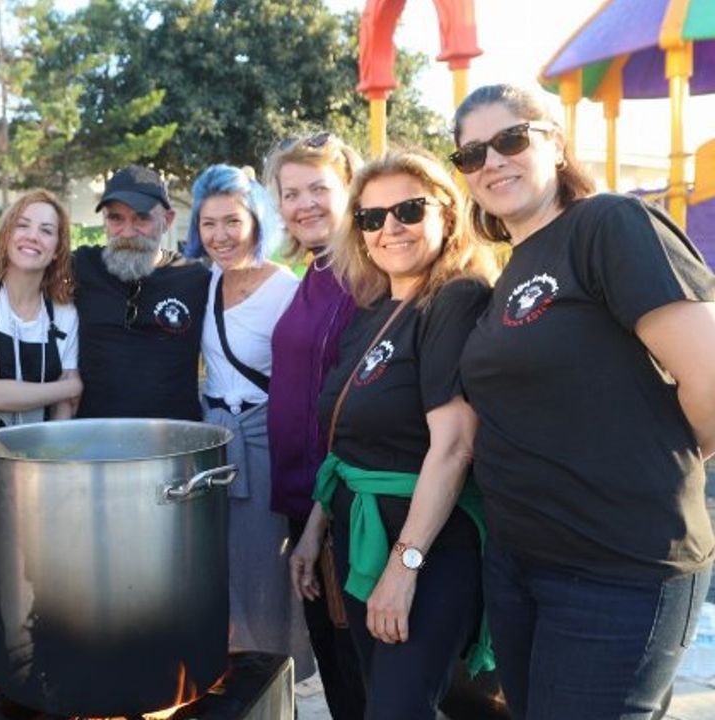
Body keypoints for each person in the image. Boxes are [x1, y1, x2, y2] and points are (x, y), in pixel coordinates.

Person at [454, 83, 715, 720]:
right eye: (471, 154)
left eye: (511, 139)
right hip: (520, 563)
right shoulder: (510, 268)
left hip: (619, 567)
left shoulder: (608, 224)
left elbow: (709, 372)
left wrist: (658, 459)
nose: (492, 161)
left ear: (557, 144)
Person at [291, 150, 498, 720]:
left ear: (447, 215)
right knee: (378, 697)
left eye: (409, 209)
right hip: (360, 536)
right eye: (371, 216)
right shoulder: (374, 308)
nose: (390, 228)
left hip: (426, 545)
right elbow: (347, 438)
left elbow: (455, 445)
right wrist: (315, 528)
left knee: (398, 707)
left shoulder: (454, 298)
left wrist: (404, 568)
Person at [182, 164, 308, 664]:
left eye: (232, 221)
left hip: (263, 441)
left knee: (262, 570)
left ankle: (268, 678)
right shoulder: (205, 280)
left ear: (256, 220)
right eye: (208, 223)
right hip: (212, 437)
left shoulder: (286, 289)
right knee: (214, 570)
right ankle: (220, 675)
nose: (220, 236)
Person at [264, 131, 368, 720]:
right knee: (334, 666)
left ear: (349, 190)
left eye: (318, 189)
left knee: (361, 672)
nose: (304, 204)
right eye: (290, 192)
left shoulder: (366, 276)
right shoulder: (315, 271)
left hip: (346, 509)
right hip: (303, 502)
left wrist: (322, 520)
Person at [73, 165, 209, 420]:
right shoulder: (80, 266)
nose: (127, 231)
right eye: (116, 218)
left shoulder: (197, 279)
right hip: (95, 441)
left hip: (175, 444)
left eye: (141, 218)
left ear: (167, 220)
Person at [0, 189, 81, 426]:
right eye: (22, 225)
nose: (32, 236)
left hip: (44, 455)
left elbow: (64, 409)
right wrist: (68, 387)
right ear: (6, 235)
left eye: (46, 230)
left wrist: (49, 459)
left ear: (57, 250)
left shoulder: (65, 314)